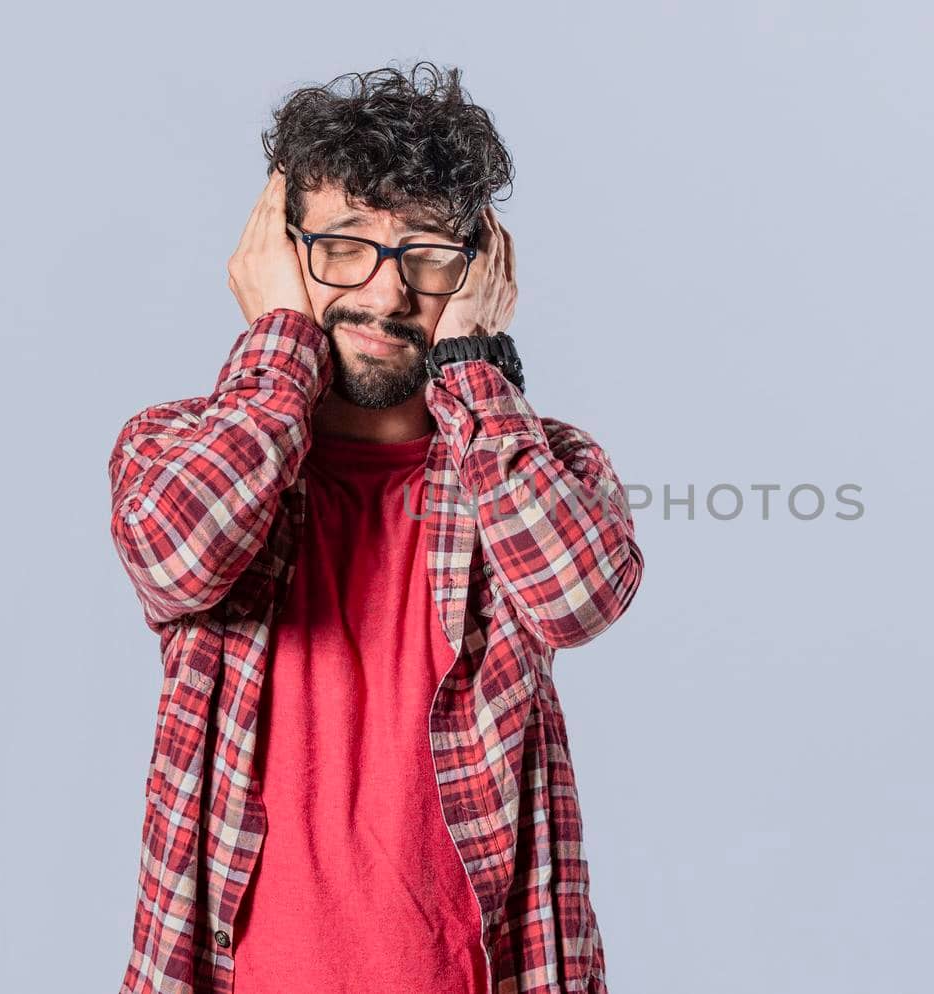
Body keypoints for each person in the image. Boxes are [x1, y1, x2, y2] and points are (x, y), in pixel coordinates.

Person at [106, 63, 644, 994]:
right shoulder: (175, 445)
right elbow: (177, 555)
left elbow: (579, 598)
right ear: (278, 252)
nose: (386, 295)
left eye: (429, 254)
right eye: (344, 247)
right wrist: (279, 336)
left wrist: (476, 367)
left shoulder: (536, 460)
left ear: (481, 274)